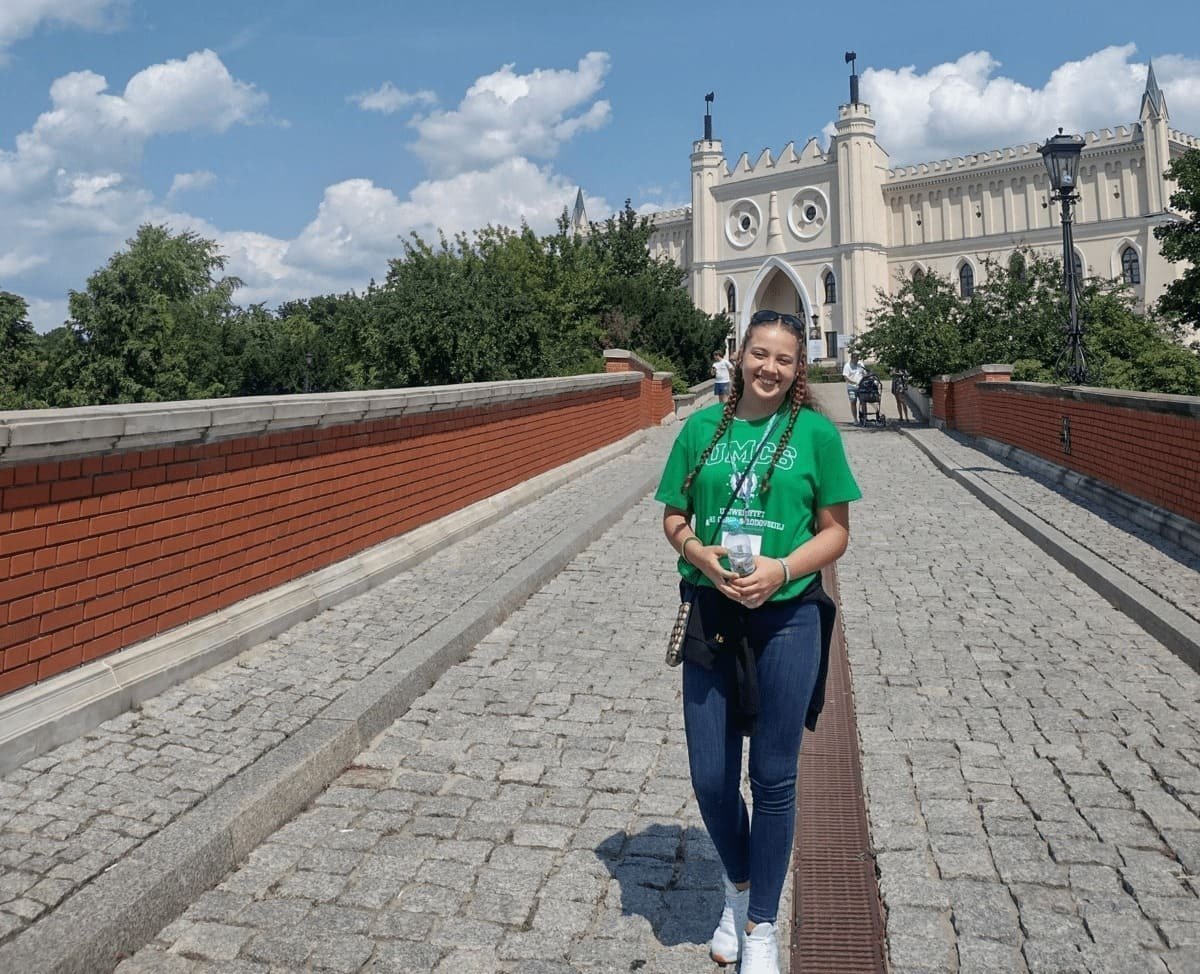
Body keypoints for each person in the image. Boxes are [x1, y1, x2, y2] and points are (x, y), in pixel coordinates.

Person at [655, 309, 862, 974]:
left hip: (788, 619)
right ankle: (738, 887)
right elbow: (674, 516)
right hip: (713, 614)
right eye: (760, 354)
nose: (770, 368)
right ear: (739, 355)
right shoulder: (698, 430)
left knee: (773, 780)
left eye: (784, 358)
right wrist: (700, 555)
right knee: (711, 779)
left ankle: (762, 926)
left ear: (798, 368)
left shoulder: (816, 434)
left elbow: (835, 532)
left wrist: (781, 570)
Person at [842, 351, 866, 424]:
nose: (857, 360)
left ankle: (864, 418)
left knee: (863, 402)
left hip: (861, 387)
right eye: (855, 359)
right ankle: (855, 419)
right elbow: (845, 377)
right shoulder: (847, 366)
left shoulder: (860, 364)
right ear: (852, 358)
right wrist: (854, 382)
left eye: (858, 358)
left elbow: (865, 373)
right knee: (853, 402)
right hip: (851, 387)